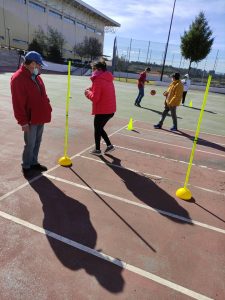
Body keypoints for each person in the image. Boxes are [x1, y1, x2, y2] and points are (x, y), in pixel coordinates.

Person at [11, 51, 52, 176]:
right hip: (30, 118)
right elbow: (18, 103)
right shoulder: (18, 78)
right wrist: (23, 122)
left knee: (37, 141)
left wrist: (48, 106)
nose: (40, 67)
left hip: (40, 115)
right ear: (32, 64)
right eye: (39, 64)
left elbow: (43, 94)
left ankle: (34, 162)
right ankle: (26, 165)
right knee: (30, 143)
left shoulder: (36, 75)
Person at [84, 60, 116, 156]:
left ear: (99, 69)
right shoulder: (107, 77)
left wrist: (87, 92)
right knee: (99, 128)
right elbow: (102, 88)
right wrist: (92, 88)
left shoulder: (98, 79)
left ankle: (97, 150)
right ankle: (109, 146)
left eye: (93, 69)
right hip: (110, 110)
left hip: (103, 110)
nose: (92, 71)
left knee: (98, 129)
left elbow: (95, 98)